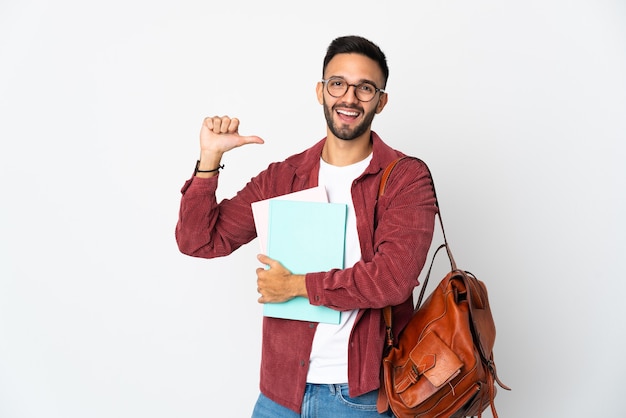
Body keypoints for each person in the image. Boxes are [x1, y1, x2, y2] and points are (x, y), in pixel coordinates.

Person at [176, 35, 438, 417]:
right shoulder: (284, 177)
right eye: (338, 84)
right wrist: (209, 160)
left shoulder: (404, 178)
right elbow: (200, 242)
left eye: (365, 88)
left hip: (361, 397)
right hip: (280, 395)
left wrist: (295, 286)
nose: (349, 98)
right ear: (320, 91)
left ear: (381, 101)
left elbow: (393, 279)